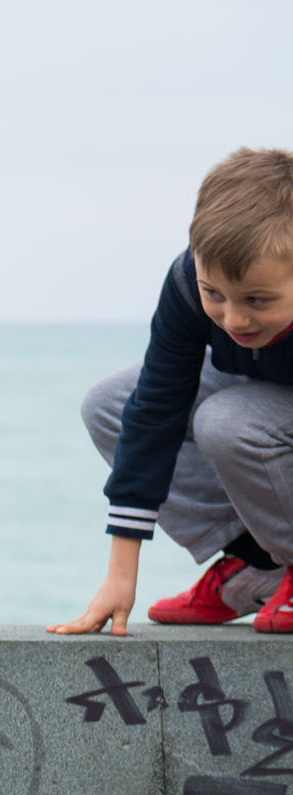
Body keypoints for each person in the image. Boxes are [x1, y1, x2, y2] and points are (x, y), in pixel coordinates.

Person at [52, 147, 293, 637]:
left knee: (228, 422)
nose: (233, 320)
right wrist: (121, 573)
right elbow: (155, 407)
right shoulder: (187, 282)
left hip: (265, 416)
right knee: (110, 406)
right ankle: (256, 568)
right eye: (215, 294)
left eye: (257, 300)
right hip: (266, 392)